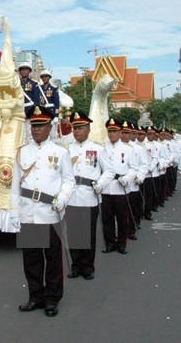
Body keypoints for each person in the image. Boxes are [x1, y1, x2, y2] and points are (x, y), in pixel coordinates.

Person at [11, 105, 75, 317]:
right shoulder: (21, 153)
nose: (36, 129)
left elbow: (69, 181)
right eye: (34, 125)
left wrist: (63, 199)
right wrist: (14, 213)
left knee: (53, 259)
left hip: (50, 212)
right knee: (31, 259)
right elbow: (14, 187)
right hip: (28, 212)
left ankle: (52, 299)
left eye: (41, 125)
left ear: (50, 127)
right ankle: (35, 296)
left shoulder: (60, 152)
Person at [66, 111, 114, 280]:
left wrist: (100, 184)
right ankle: (76, 265)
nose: (77, 131)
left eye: (80, 128)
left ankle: (88, 266)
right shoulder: (67, 150)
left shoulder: (97, 149)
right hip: (71, 196)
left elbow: (109, 171)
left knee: (88, 233)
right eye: (74, 128)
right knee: (73, 233)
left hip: (89, 195)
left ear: (88, 129)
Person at [102, 119, 137, 254]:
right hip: (106, 188)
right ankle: (110, 243)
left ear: (120, 132)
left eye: (115, 131)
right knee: (107, 219)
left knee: (122, 218)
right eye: (110, 131)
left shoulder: (127, 149)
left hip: (120, 188)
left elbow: (134, 168)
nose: (112, 134)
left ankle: (121, 244)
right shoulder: (102, 148)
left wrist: (127, 179)